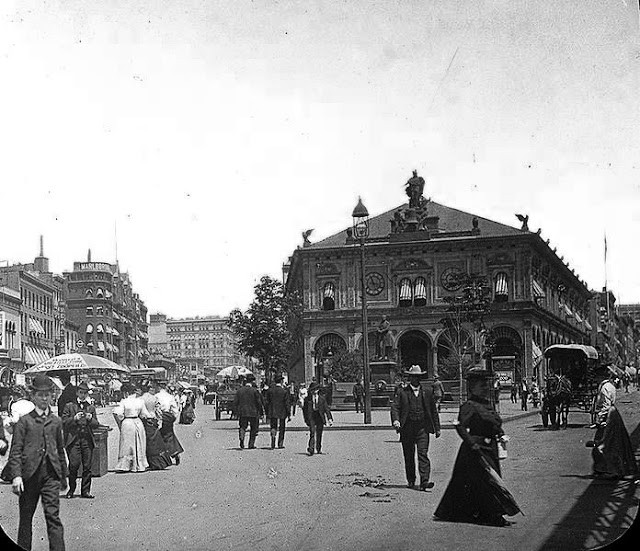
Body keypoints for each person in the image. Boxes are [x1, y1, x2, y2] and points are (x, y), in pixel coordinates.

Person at [434, 367, 519, 527]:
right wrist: (471, 443)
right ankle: (494, 516)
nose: (486, 389)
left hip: (490, 449)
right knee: (488, 482)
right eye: (482, 386)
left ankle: (484, 513)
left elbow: (493, 423)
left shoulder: (487, 404)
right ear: (473, 388)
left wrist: (500, 433)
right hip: (475, 451)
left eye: (487, 385)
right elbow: (459, 426)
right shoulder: (469, 405)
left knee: (484, 481)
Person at [2, 374, 68, 551]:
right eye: (40, 394)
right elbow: (15, 451)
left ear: (51, 396)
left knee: (53, 518)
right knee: (26, 519)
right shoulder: (24, 422)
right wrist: (16, 476)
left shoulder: (56, 421)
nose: (44, 398)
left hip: (50, 476)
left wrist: (63, 476)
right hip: (29, 476)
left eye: (47, 394)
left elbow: (60, 451)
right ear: (33, 396)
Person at [391, 365, 441, 491]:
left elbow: (433, 411)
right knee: (409, 455)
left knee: (422, 454)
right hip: (407, 428)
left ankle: (424, 481)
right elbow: (395, 407)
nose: (415, 379)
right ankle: (411, 480)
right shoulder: (402, 392)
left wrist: (437, 428)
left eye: (418, 377)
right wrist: (396, 420)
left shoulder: (427, 392)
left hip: (422, 428)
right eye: (413, 377)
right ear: (410, 378)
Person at [590, 366, 638, 480]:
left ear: (601, 376)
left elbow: (606, 405)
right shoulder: (608, 385)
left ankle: (612, 470)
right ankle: (604, 468)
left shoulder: (605, 387)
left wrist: (601, 419)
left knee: (607, 444)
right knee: (611, 443)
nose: (596, 379)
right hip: (612, 414)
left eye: (597, 377)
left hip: (609, 415)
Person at [61, 381, 99, 499]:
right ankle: (71, 489)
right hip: (74, 440)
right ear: (77, 393)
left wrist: (90, 419)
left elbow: (96, 424)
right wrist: (74, 419)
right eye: (81, 392)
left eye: (85, 393)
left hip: (87, 439)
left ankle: (85, 491)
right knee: (74, 464)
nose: (83, 395)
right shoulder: (69, 406)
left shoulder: (90, 407)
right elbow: (63, 422)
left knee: (87, 466)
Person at [112, 383, 151, 473]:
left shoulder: (124, 401)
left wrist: (120, 422)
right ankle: (139, 464)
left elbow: (118, 414)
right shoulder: (140, 401)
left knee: (127, 445)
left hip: (127, 423)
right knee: (139, 443)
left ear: (125, 392)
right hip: (137, 422)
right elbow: (145, 414)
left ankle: (126, 465)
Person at [141, 381, 172, 471]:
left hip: (144, 421)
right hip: (153, 421)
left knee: (146, 443)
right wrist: (159, 422)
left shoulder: (141, 399)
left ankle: (148, 462)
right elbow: (158, 411)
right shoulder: (154, 398)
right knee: (156, 443)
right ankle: (159, 463)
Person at [156, 379, 184, 465]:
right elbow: (175, 409)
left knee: (159, 437)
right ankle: (175, 452)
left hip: (160, 416)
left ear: (159, 386)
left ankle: (163, 456)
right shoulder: (170, 396)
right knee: (169, 435)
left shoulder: (156, 396)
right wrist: (173, 418)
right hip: (168, 416)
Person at [233, 373, 264, 449]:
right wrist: (261, 412)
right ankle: (251, 444)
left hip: (243, 412)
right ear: (252, 382)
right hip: (253, 412)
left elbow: (235, 402)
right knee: (254, 428)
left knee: (243, 426)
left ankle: (242, 437)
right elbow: (259, 402)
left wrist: (236, 412)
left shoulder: (240, 391)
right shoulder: (255, 391)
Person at [303, 382, 333, 455]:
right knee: (312, 432)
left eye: (316, 389)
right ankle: (311, 448)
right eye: (313, 390)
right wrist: (306, 419)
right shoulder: (307, 399)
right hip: (312, 416)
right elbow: (305, 410)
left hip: (319, 417)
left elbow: (326, 409)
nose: (314, 391)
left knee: (319, 433)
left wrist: (329, 419)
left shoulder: (322, 398)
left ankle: (318, 448)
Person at [265, 375, 291, 449]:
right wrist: (288, 413)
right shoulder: (284, 391)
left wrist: (267, 412)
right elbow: (287, 403)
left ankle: (273, 436)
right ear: (281, 382)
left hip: (272, 411)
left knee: (273, 426)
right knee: (282, 427)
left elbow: (267, 402)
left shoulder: (270, 391)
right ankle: (280, 443)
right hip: (282, 411)